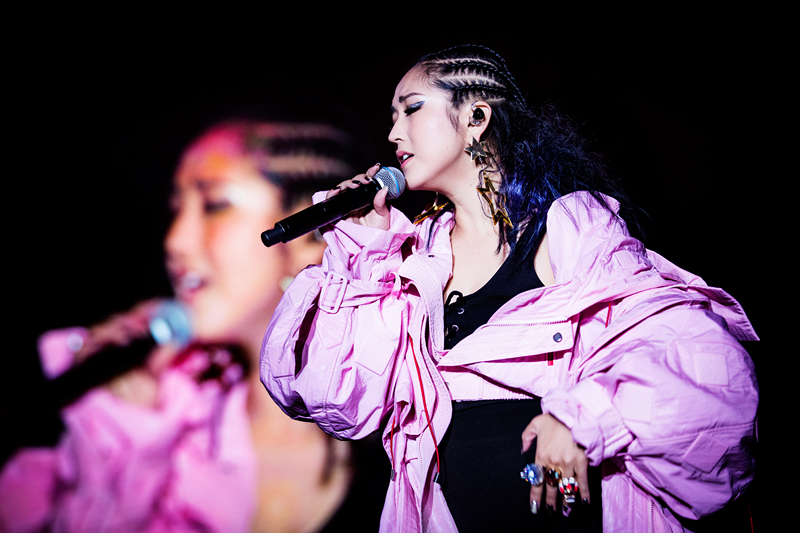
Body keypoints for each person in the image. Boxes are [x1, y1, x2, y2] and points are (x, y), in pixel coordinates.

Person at [260, 45, 759, 532]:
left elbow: (696, 354)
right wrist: (365, 246)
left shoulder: (569, 226)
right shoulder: (414, 258)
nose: (393, 132)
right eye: (393, 116)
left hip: (569, 511)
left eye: (411, 109)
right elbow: (336, 398)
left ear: (476, 117)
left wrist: (582, 419)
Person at [0, 119, 386, 532]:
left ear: (310, 235)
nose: (174, 242)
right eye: (177, 210)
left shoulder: (406, 429)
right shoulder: (176, 424)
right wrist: (126, 428)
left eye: (214, 205)